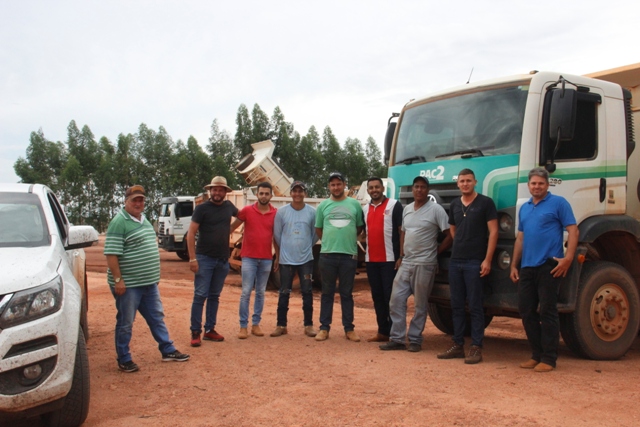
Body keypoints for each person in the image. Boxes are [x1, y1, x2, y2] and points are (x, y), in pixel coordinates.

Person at [104, 185, 189, 373]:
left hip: (148, 283)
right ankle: (124, 358)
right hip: (129, 285)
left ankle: (167, 350)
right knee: (126, 322)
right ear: (126, 201)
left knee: (156, 317)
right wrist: (118, 280)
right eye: (134, 200)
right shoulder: (119, 222)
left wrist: (154, 276)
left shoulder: (144, 220)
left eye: (141, 200)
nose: (138, 203)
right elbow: (111, 254)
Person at [510, 167, 578, 372]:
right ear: (528, 185)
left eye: (540, 183)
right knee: (526, 310)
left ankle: (549, 358)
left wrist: (568, 259)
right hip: (527, 267)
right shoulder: (525, 208)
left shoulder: (559, 203)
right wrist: (514, 264)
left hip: (549, 265)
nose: (537, 186)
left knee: (547, 311)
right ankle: (536, 355)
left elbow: (573, 230)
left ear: (547, 185)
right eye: (533, 183)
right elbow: (520, 238)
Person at [380, 176, 451, 353]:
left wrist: (437, 252)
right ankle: (397, 338)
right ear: (412, 189)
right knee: (396, 300)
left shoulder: (436, 210)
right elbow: (403, 232)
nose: (419, 190)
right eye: (416, 187)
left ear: (428, 190)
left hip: (425, 264)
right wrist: (401, 255)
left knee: (420, 304)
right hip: (407, 262)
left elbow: (450, 234)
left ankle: (415, 339)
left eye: (423, 187)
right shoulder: (407, 209)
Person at [437, 169, 498, 364]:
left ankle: (476, 347)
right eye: (462, 181)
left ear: (475, 182)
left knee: (475, 306)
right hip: (456, 261)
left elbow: (494, 232)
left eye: (468, 181)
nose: (465, 184)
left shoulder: (486, 203)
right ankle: (457, 345)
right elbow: (453, 229)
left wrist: (487, 260)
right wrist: (461, 243)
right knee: (456, 305)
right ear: (458, 183)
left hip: (475, 262)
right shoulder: (455, 204)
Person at [187, 176, 238, 347]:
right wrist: (192, 258)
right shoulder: (202, 209)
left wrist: (231, 229)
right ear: (210, 191)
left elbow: (243, 216)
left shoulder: (229, 207)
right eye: (214, 189)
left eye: (220, 190)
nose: (217, 192)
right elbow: (191, 233)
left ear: (225, 192)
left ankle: (210, 329)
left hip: (222, 260)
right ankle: (195, 332)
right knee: (200, 295)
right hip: (204, 258)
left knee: (214, 296)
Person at [314, 172, 364, 342]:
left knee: (346, 293)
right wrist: (331, 241)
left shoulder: (354, 205)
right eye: (332, 184)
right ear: (329, 187)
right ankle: (324, 328)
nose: (336, 187)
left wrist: (346, 239)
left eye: (338, 184)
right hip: (327, 255)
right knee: (327, 293)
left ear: (344, 185)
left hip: (348, 256)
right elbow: (319, 228)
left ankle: (349, 329)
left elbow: (359, 227)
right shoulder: (323, 206)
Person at [270, 180, 319, 338]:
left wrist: (305, 246)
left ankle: (308, 325)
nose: (297, 194)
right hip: (286, 260)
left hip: (306, 260)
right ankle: (281, 325)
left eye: (300, 191)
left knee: (307, 292)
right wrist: (282, 252)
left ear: (305, 193)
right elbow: (277, 235)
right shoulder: (282, 212)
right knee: (284, 292)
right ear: (290, 193)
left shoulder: (312, 212)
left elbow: (315, 234)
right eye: (295, 191)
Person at [231, 181, 277, 339]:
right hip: (249, 258)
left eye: (266, 194)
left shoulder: (275, 213)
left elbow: (276, 237)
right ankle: (243, 326)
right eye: (261, 193)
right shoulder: (247, 211)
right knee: (245, 292)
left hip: (266, 259)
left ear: (271, 195)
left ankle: (256, 324)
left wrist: (277, 257)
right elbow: (232, 227)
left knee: (260, 292)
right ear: (257, 194)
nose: (264, 196)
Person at [361, 177, 403, 342]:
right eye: (371, 188)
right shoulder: (365, 209)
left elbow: (401, 232)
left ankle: (395, 333)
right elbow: (363, 232)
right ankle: (383, 331)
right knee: (377, 297)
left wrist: (401, 255)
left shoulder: (394, 205)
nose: (374, 190)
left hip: (390, 260)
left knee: (390, 298)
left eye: (377, 187)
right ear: (368, 191)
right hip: (371, 261)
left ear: (382, 188)